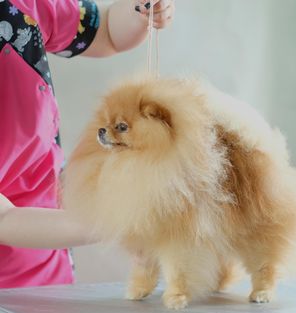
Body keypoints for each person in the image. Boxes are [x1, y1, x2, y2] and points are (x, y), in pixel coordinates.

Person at [0, 0, 175, 288]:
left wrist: (141, 10)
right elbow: (3, 220)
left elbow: (105, 31)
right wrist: (115, 219)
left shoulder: (20, 6)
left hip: (51, 272)